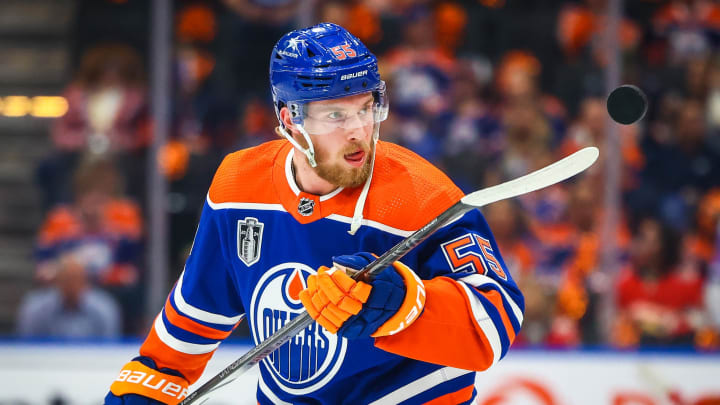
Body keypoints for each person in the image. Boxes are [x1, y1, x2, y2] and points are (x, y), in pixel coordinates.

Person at [105, 23, 524, 404]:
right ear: (290, 121)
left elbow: (496, 324)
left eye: (365, 108)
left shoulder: (422, 195)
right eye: (336, 115)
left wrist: (403, 305)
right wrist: (154, 378)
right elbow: (199, 306)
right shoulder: (238, 185)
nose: (359, 130)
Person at [17, 249, 122, 339]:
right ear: (56, 281)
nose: (71, 285)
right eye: (66, 279)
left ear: (85, 282)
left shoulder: (104, 307)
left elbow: (109, 347)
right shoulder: (35, 308)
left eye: (76, 279)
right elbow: (27, 345)